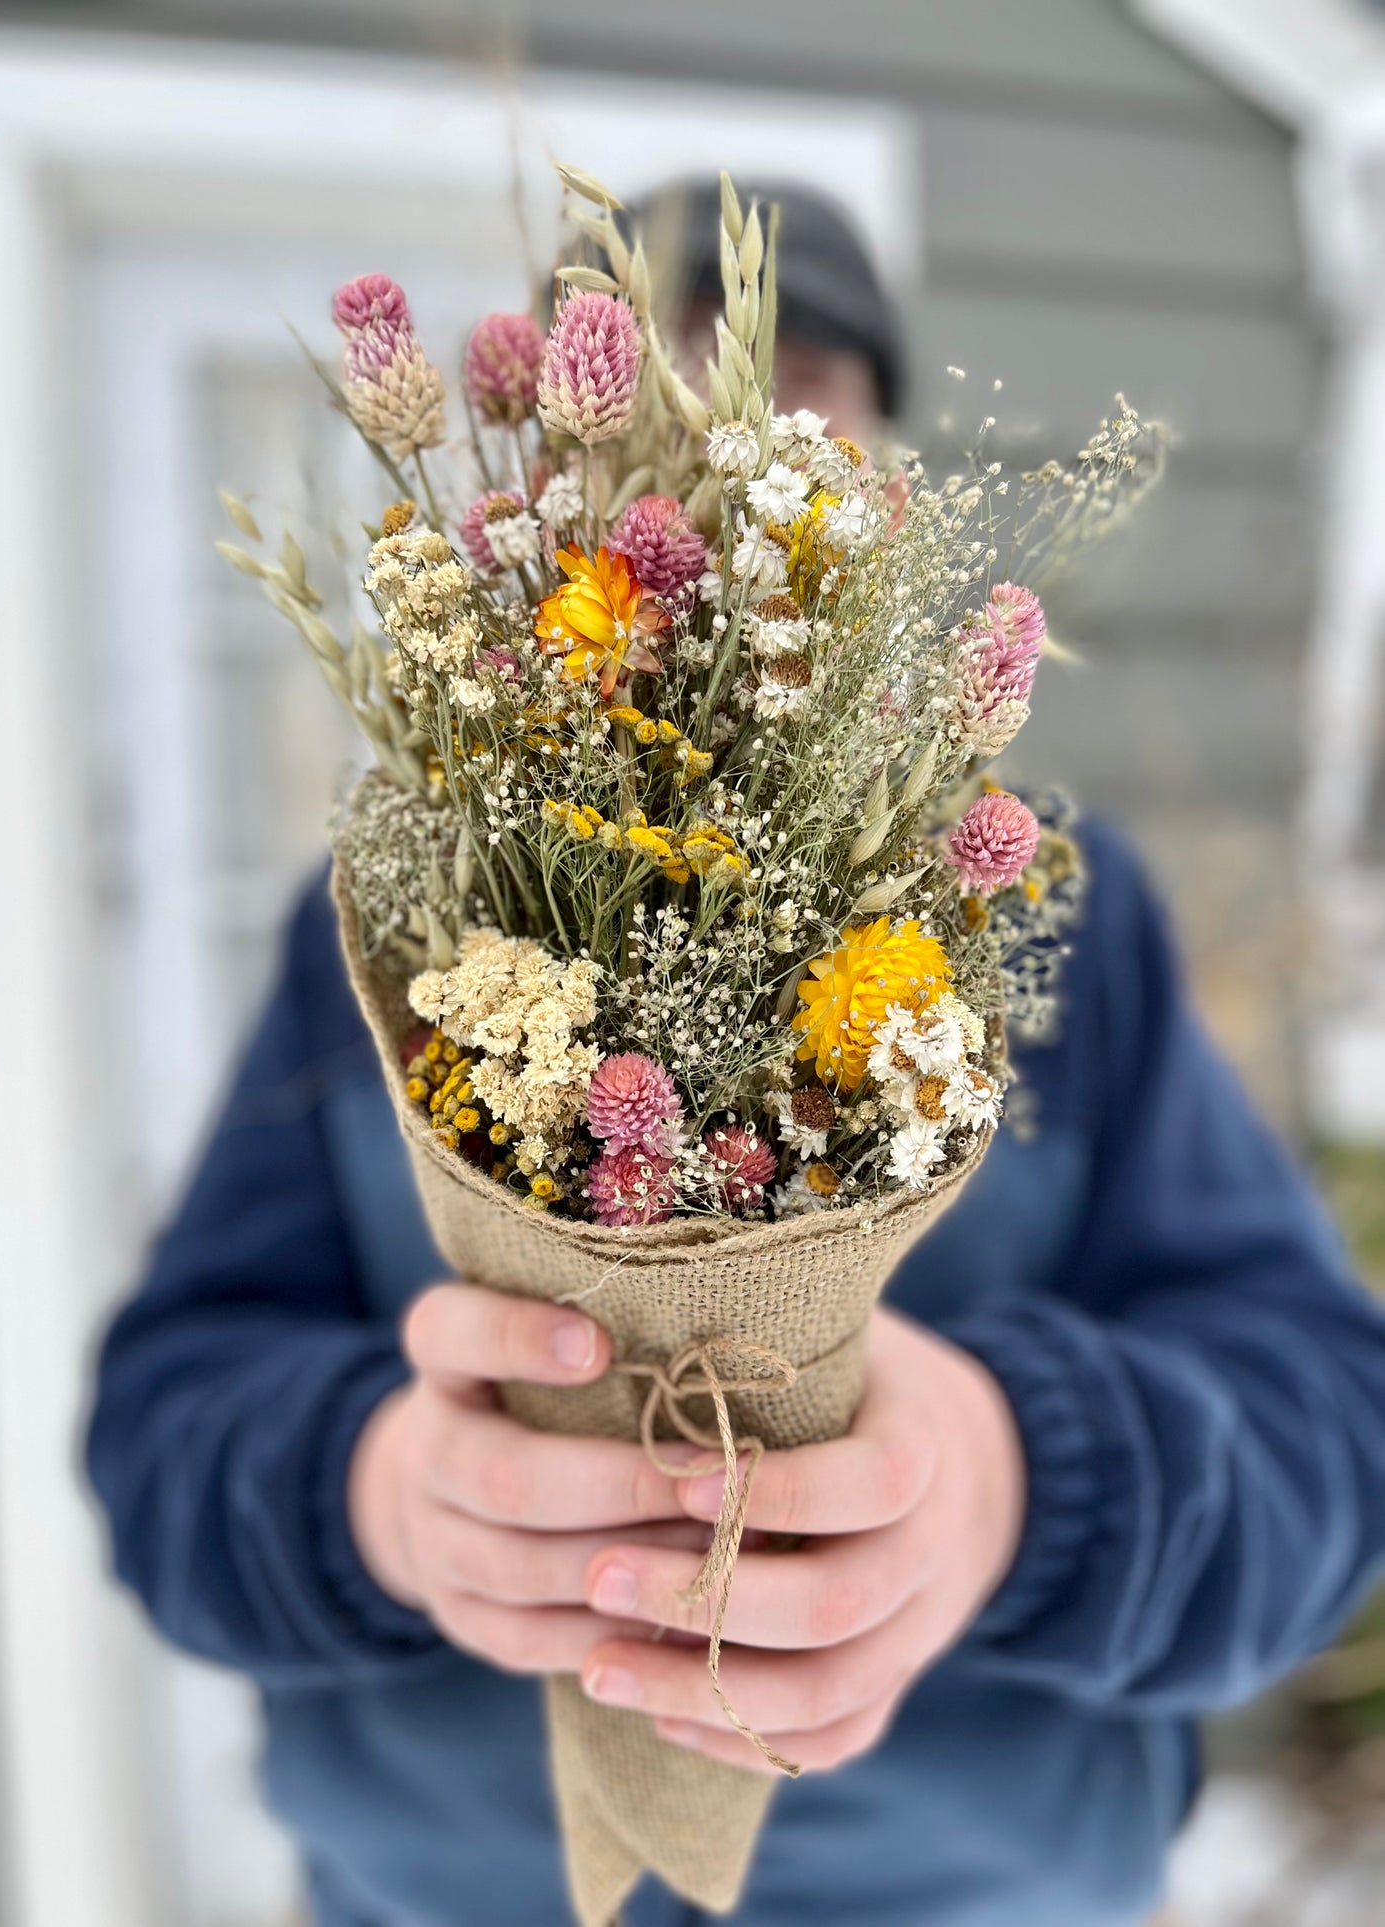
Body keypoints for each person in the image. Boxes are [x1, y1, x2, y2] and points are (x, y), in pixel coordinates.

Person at [86, 184, 1385, 1927]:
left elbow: (1328, 1432)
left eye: (782, 414)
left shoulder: (1060, 917)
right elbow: (162, 1433)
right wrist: (377, 1494)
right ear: (541, 471)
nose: (703, 473)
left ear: (876, 486)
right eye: (650, 415)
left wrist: (1019, 1482)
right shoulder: (383, 933)